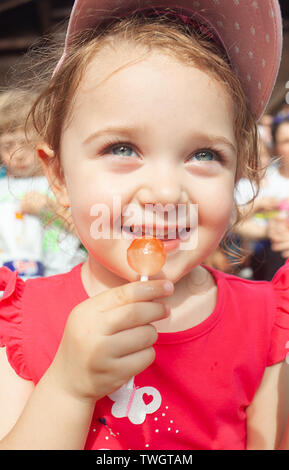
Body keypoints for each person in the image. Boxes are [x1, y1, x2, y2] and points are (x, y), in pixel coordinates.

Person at [0, 0, 288, 451]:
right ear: (58, 177)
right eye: (121, 148)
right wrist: (68, 388)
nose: (165, 193)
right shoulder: (21, 323)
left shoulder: (266, 324)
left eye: (204, 155)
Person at [0, 89, 87, 278]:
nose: (18, 154)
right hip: (10, 284)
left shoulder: (60, 183)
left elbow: (89, 235)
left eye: (26, 144)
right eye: (7, 146)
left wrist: (52, 209)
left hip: (62, 276)